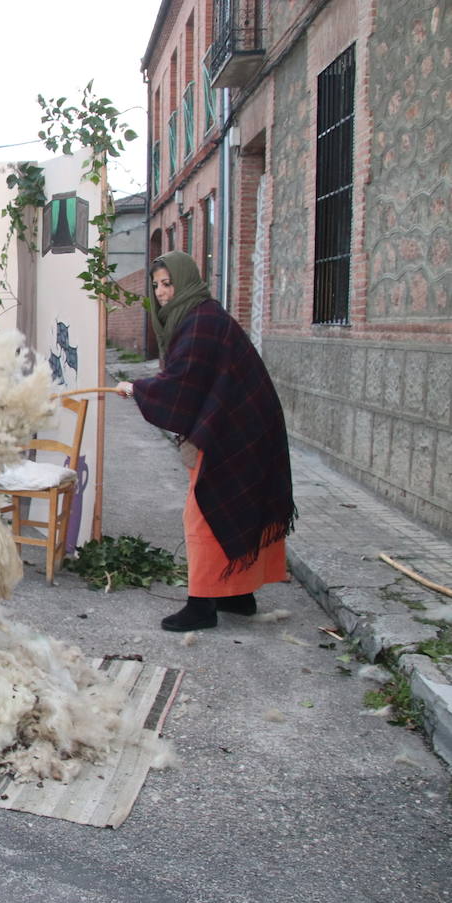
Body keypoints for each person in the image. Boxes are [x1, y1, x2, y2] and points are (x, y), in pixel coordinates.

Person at [115, 251, 296, 632]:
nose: (161, 292)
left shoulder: (201, 320)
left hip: (237, 429)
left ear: (186, 281)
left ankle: (201, 606)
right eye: (157, 285)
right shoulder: (202, 316)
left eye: (168, 283)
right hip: (246, 425)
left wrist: (137, 388)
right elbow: (197, 380)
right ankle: (237, 594)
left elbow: (183, 381)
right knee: (241, 505)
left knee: (204, 512)